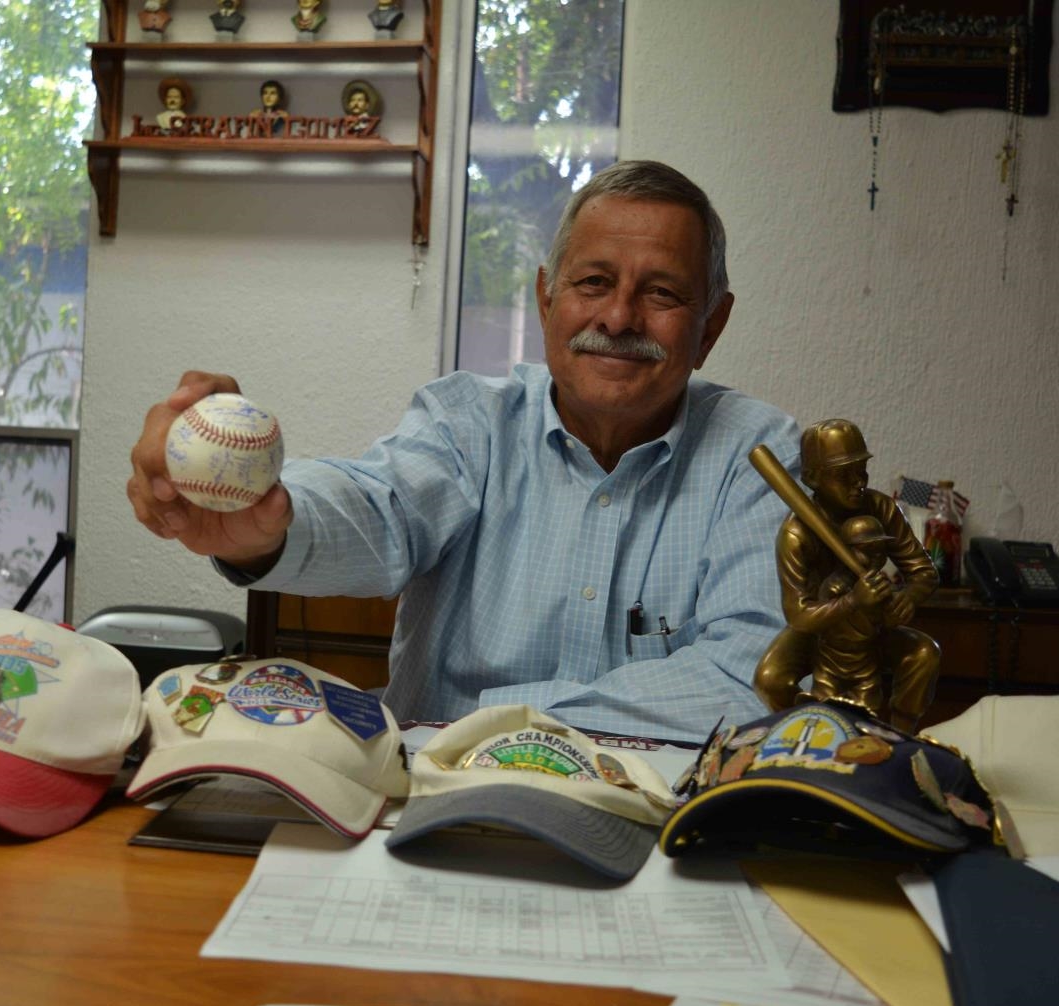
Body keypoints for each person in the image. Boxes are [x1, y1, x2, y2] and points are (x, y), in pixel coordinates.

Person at [127, 160, 801, 742]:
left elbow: (744, 680)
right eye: (593, 282)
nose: (619, 317)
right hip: (440, 796)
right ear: (546, 300)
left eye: (661, 293)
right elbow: (377, 505)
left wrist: (499, 719)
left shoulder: (759, 457)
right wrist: (266, 523)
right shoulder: (467, 422)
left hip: (654, 816)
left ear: (710, 327)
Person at [753, 419, 939, 733]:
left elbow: (923, 571)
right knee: (769, 679)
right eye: (843, 475)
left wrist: (908, 598)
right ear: (812, 478)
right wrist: (852, 601)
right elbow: (799, 615)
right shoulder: (797, 532)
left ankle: (899, 737)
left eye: (861, 470)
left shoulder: (881, 508)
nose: (858, 483)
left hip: (873, 622)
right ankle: (808, 735)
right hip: (819, 629)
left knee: (924, 653)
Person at [808, 516, 895, 711]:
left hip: (866, 667)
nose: (876, 558)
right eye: (868, 551)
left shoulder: (880, 584)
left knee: (867, 719)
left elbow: (885, 623)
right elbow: (821, 622)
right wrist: (855, 599)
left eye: (880, 551)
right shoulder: (833, 586)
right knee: (824, 717)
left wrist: (894, 608)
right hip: (831, 667)